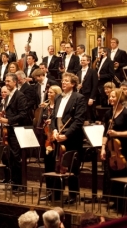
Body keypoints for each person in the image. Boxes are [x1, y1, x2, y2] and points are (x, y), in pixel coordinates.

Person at [50, 72, 86, 204]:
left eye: (66, 81)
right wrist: (54, 130)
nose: (63, 82)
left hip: (71, 137)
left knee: (71, 166)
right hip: (58, 134)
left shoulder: (79, 98)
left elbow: (78, 120)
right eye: (63, 80)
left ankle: (73, 195)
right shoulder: (59, 97)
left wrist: (66, 135)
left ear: (73, 84)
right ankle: (57, 194)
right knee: (58, 164)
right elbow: (54, 117)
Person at [0, 73, 27, 189]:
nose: (6, 83)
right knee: (10, 156)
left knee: (16, 157)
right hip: (9, 130)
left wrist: (8, 119)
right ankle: (13, 181)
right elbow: (11, 111)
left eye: (9, 81)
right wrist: (3, 113)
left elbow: (23, 114)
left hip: (17, 130)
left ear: (15, 82)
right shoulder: (8, 96)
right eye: (5, 81)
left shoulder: (20, 96)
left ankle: (19, 184)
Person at [100, 88, 127, 211]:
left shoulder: (126, 113)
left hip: (124, 148)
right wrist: (103, 148)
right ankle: (115, 200)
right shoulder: (108, 114)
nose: (110, 99)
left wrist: (117, 134)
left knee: (123, 174)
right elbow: (105, 133)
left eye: (113, 96)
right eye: (110, 97)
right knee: (112, 174)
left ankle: (123, 202)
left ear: (120, 99)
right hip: (112, 149)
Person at [76, 55, 98, 123]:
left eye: (84, 60)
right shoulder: (78, 72)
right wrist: (77, 86)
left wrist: (92, 98)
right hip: (80, 94)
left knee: (89, 112)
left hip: (88, 95)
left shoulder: (93, 72)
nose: (82, 61)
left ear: (88, 61)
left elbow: (95, 85)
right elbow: (77, 84)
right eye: (81, 60)